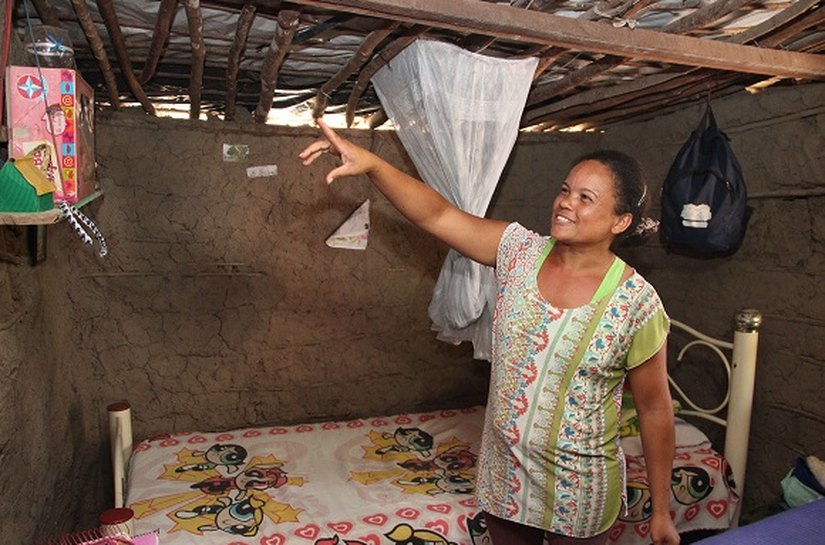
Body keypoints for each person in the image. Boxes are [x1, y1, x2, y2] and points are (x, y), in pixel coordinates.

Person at [299, 118, 680, 545]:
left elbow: (654, 409)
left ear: (620, 221)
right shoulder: (519, 252)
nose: (565, 203)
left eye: (585, 198)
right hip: (506, 478)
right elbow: (439, 214)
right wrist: (373, 165)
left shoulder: (636, 304)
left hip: (579, 492)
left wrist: (660, 510)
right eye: (565, 190)